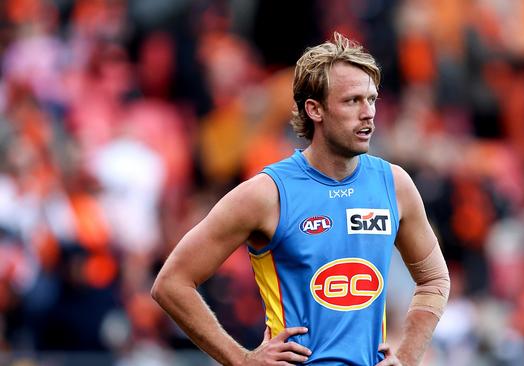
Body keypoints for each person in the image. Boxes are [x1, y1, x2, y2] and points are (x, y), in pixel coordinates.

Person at [151, 32, 450, 366]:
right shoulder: (267, 193)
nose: (369, 113)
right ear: (315, 109)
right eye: (353, 101)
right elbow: (172, 283)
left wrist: (407, 358)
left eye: (372, 99)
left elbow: (434, 280)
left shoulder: (394, 185)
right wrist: (242, 360)